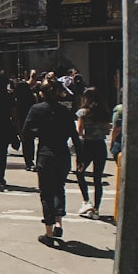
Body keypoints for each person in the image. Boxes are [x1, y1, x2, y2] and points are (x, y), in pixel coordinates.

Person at [23, 78, 81, 245]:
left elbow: (27, 132)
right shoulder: (65, 111)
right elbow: (74, 135)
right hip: (63, 154)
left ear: (41, 93)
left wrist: (40, 131)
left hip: (46, 154)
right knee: (59, 188)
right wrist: (81, 158)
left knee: (46, 193)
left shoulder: (36, 109)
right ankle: (58, 223)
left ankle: (48, 233)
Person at [74, 87, 111, 219]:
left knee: (80, 172)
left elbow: (79, 130)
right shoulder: (104, 112)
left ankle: (86, 201)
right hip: (100, 145)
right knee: (97, 178)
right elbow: (107, 130)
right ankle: (96, 208)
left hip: (87, 146)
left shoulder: (83, 113)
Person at [14, 69, 39, 171]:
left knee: (25, 141)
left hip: (20, 121)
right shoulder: (32, 98)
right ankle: (30, 161)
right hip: (30, 122)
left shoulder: (16, 100)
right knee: (29, 142)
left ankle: (28, 161)